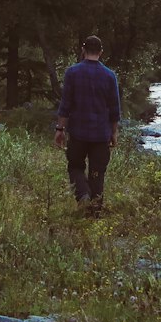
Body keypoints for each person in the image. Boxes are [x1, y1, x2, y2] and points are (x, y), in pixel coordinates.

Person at [54, 35, 121, 213]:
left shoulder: (72, 72)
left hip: (78, 133)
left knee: (75, 166)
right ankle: (95, 213)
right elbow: (114, 108)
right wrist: (114, 133)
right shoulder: (109, 76)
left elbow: (65, 105)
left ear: (83, 50)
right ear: (101, 52)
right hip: (100, 134)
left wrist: (60, 129)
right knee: (97, 173)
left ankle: (83, 194)